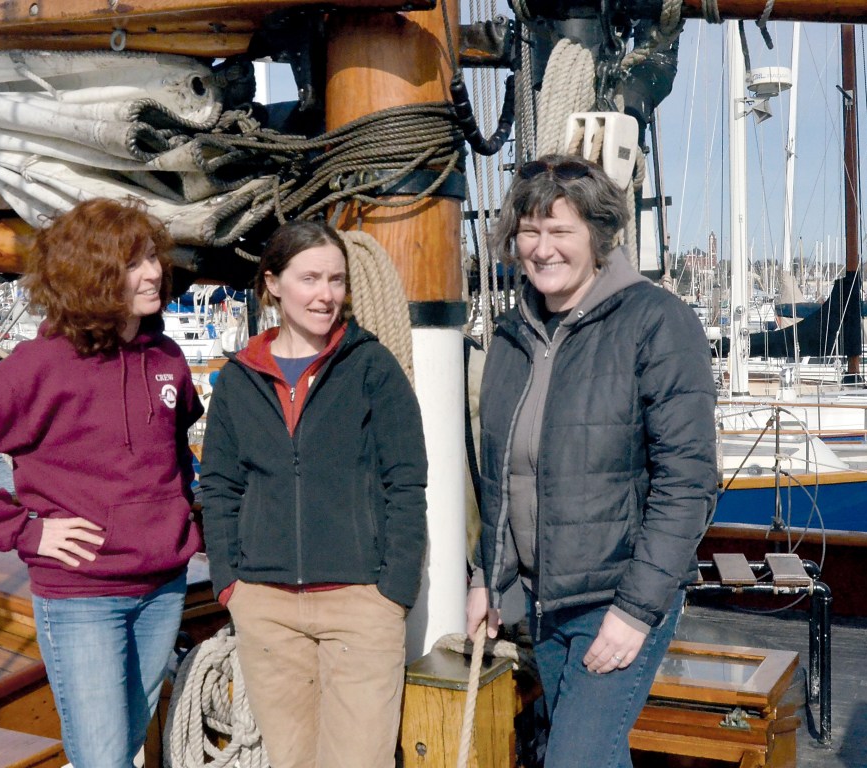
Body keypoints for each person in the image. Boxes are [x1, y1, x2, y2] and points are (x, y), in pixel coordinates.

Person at [0, 198, 204, 768]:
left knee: (124, 744)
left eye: (152, 258)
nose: (152, 273)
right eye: (132, 264)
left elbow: (172, 452)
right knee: (102, 757)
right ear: (90, 275)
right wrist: (24, 530)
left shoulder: (167, 358)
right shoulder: (40, 365)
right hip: (81, 593)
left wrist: (178, 514)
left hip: (163, 584)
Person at [465, 154, 718, 768]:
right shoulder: (513, 335)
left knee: (576, 758)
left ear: (599, 236)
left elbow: (687, 484)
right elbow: (500, 479)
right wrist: (485, 580)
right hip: (542, 601)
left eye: (560, 230)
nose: (542, 248)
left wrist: (635, 612)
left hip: (618, 596)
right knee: (588, 753)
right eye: (529, 231)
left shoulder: (656, 323)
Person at [198, 219, 428, 768]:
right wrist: (231, 583)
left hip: (360, 603)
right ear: (273, 284)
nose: (325, 295)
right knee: (291, 760)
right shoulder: (239, 379)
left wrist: (392, 591)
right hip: (266, 606)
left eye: (336, 280)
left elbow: (406, 481)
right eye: (310, 279)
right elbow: (221, 485)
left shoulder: (371, 367)